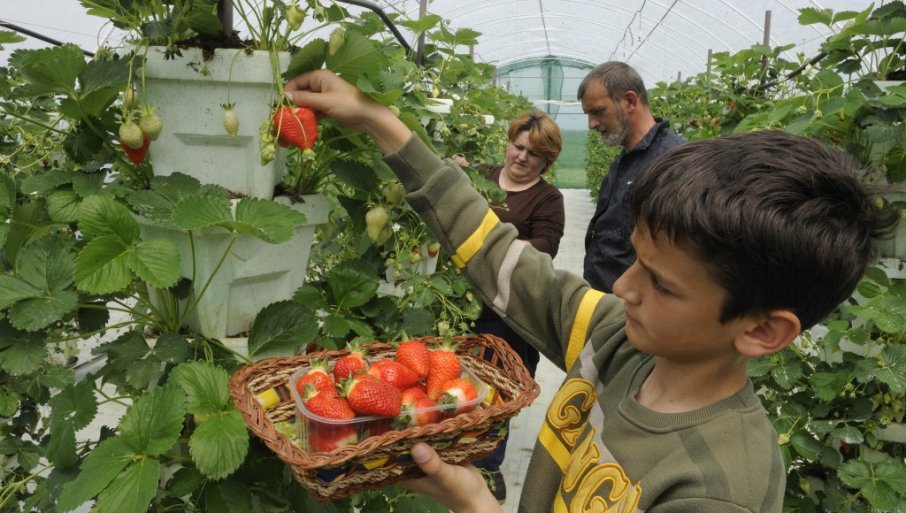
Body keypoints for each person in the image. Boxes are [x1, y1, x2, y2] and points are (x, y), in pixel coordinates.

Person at [284, 70, 895, 513]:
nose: (624, 286)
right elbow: (502, 258)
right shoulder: (616, 341)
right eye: (637, 259)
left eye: (659, 282)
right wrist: (380, 122)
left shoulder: (715, 487)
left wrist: (476, 505)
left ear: (763, 330)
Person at [456, 110, 565, 503]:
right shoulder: (481, 176)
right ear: (508, 142)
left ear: (546, 162)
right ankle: (455, 452)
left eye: (533, 154)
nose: (521, 157)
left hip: (510, 310)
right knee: (461, 380)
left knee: (500, 386)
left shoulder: (548, 198)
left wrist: (489, 245)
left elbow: (546, 247)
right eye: (517, 146)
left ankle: (489, 465)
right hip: (459, 301)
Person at [580, 61, 684, 292]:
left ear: (629, 101)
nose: (591, 124)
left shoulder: (671, 163)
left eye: (598, 112)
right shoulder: (625, 159)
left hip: (635, 305)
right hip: (608, 302)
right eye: (588, 115)